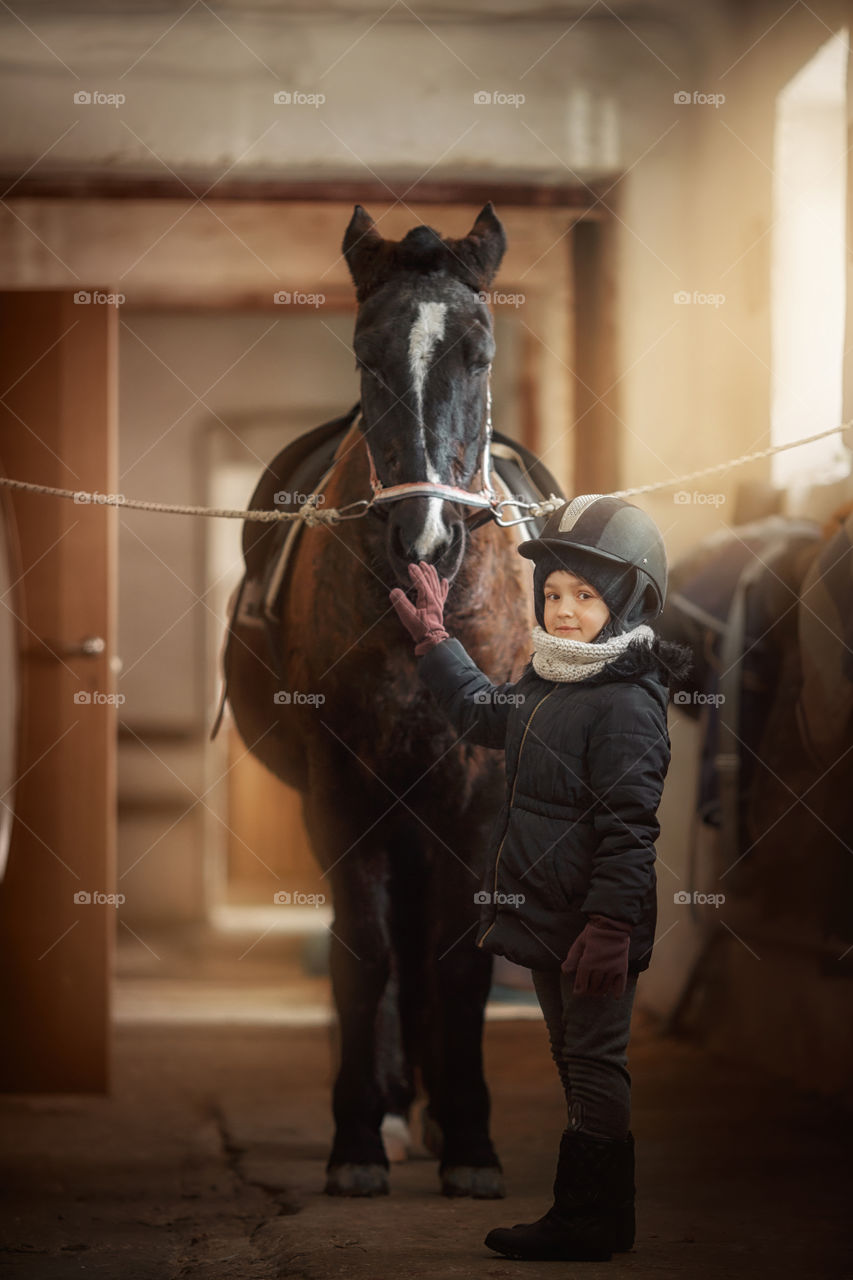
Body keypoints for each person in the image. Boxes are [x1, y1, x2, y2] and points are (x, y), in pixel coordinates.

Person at [388, 493, 692, 1262]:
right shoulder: (551, 680)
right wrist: (436, 642)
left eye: (585, 596)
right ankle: (598, 1216)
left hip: (592, 925)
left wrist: (610, 925)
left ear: (626, 601)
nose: (562, 611)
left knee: (592, 1061)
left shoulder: (624, 703)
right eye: (552, 593)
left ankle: (586, 1218)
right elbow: (484, 714)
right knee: (573, 1058)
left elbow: (629, 827)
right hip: (554, 917)